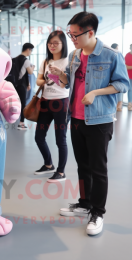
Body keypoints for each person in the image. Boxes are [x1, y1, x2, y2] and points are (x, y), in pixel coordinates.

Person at [49, 12, 129, 236]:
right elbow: (69, 82)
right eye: (70, 34)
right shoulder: (75, 55)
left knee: (98, 169)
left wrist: (96, 92)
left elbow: (123, 84)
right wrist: (59, 75)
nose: (72, 39)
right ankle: (84, 203)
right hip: (75, 119)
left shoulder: (111, 55)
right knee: (83, 166)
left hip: (99, 121)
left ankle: (98, 212)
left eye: (75, 35)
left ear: (90, 32)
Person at [34, 31, 69, 182]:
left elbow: (66, 84)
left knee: (60, 139)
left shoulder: (68, 61)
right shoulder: (45, 61)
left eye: (56, 43)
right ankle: (48, 165)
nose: (52, 46)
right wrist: (48, 78)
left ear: (63, 44)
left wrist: (58, 74)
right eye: (50, 43)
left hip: (61, 102)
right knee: (38, 137)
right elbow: (38, 81)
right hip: (45, 101)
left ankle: (61, 172)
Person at [14, 43, 35, 130]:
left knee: (15, 102)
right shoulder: (26, 61)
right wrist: (32, 67)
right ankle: (21, 124)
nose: (31, 52)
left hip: (14, 84)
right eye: (31, 50)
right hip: (21, 86)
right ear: (28, 49)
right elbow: (30, 72)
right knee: (23, 103)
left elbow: (23, 73)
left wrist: (28, 83)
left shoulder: (15, 59)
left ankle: (13, 119)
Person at [124, 44, 132, 110]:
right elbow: (125, 66)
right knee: (130, 90)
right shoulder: (127, 55)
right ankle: (130, 104)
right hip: (129, 76)